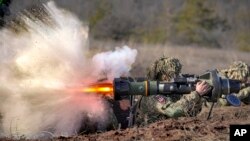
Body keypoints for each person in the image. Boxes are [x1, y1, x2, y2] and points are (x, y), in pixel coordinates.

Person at [134, 56, 211, 126]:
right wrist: (196, 94)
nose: (178, 77)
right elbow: (174, 111)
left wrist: (199, 97)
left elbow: (190, 113)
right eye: (174, 75)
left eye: (178, 74)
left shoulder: (169, 93)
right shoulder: (153, 95)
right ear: (164, 77)